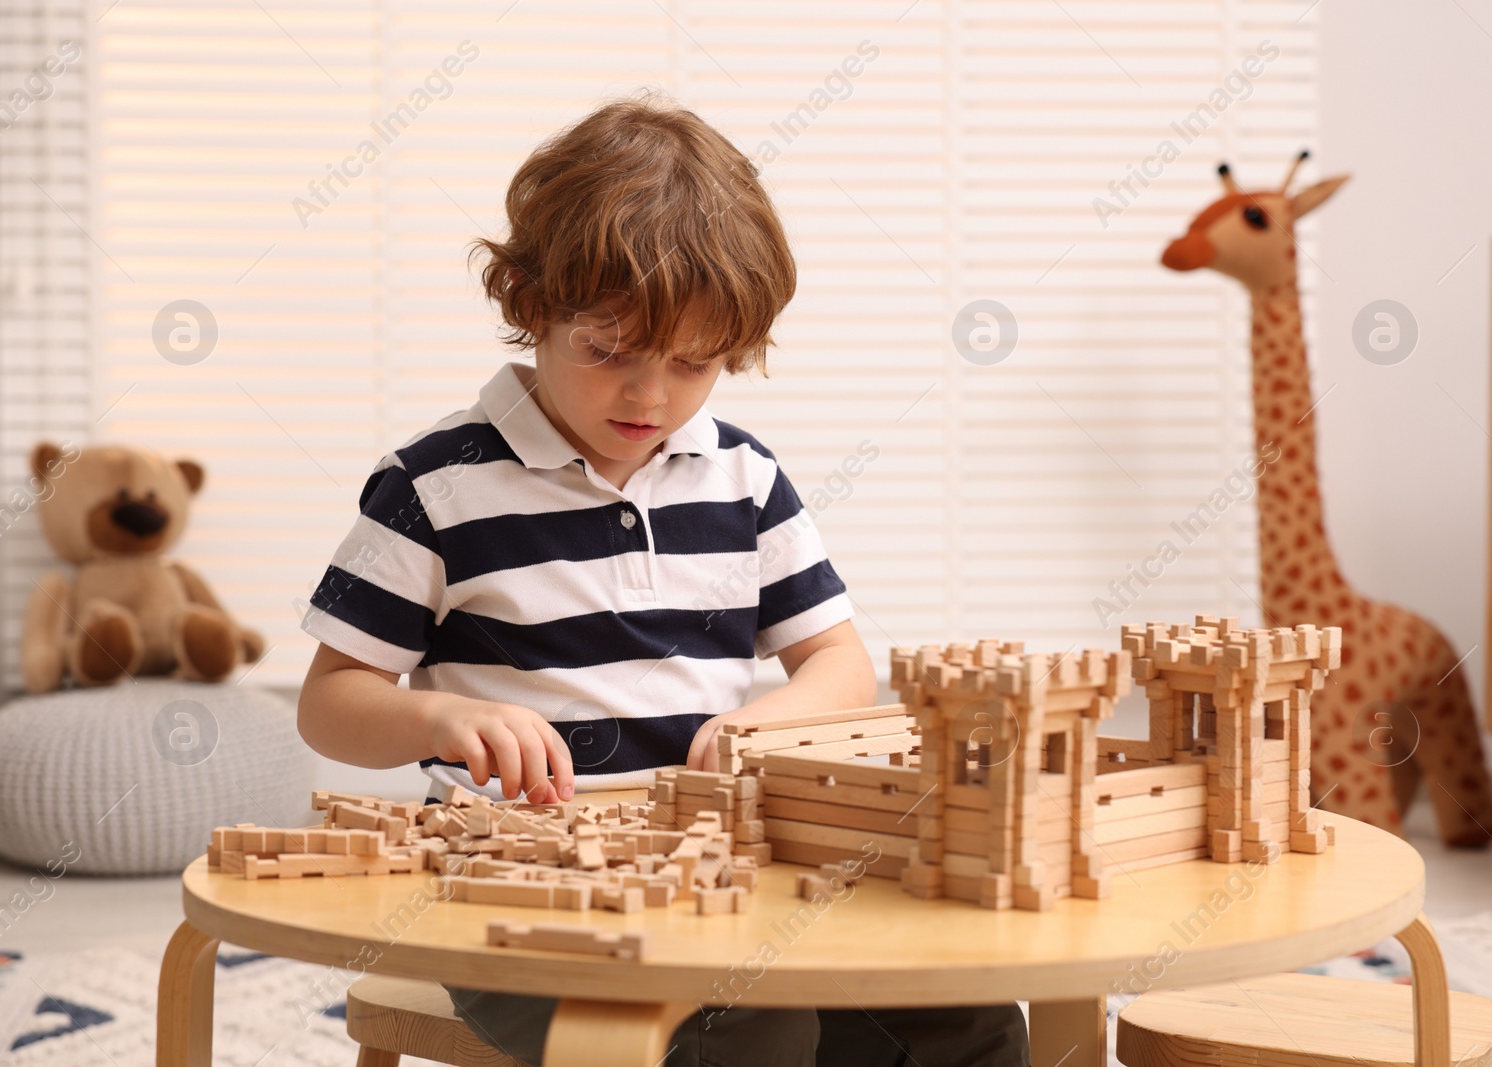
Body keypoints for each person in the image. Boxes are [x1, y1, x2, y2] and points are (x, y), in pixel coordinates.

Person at [295, 89, 1029, 1067]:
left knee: (965, 1013)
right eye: (609, 350)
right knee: (748, 1030)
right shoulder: (436, 487)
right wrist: (438, 721)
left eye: (694, 363)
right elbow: (330, 702)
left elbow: (839, 663)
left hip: (724, 871)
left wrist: (767, 724)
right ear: (528, 304)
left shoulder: (742, 478)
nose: (650, 394)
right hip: (515, 890)